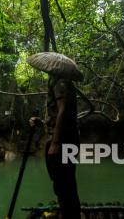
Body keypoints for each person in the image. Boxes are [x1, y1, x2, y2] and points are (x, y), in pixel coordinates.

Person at [30, 74, 81, 219]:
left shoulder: (61, 81)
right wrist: (42, 123)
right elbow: (59, 114)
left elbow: (63, 109)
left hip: (64, 142)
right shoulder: (59, 81)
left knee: (65, 186)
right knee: (62, 185)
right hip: (63, 140)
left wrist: (56, 142)